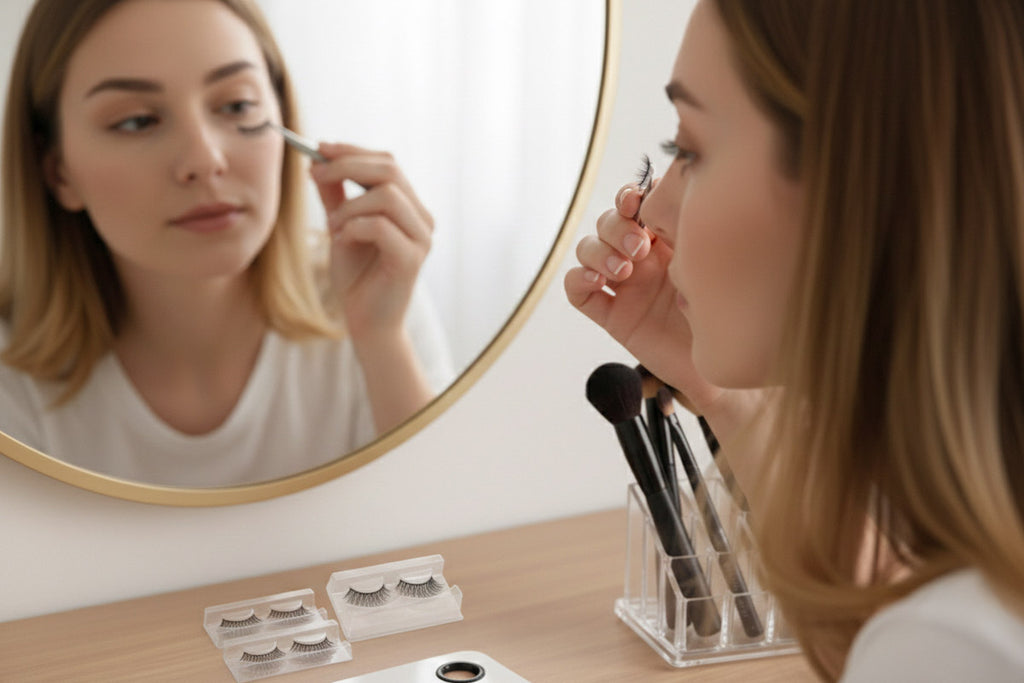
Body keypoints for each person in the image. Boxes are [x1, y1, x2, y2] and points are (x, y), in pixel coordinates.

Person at [566, 0, 1024, 679]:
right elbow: (875, 637)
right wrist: (731, 403)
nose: (655, 210)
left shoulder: (961, 643)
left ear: (857, 185)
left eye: (688, 149)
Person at [0, 0, 454, 487]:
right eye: (136, 121)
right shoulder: (12, 373)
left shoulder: (371, 292)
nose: (205, 158)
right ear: (59, 172)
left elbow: (453, 536)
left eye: (236, 105)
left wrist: (382, 341)